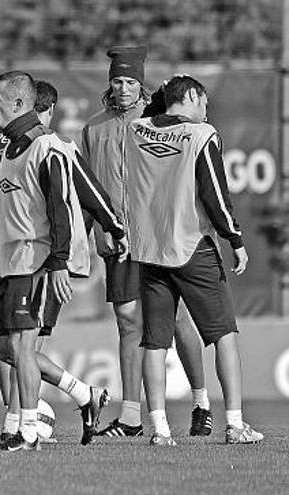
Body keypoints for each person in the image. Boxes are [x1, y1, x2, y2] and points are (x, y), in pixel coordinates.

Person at [0, 72, 123, 451]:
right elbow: (6, 211)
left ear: (19, 105)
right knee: (13, 349)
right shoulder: (8, 149)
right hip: (10, 259)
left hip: (36, 261)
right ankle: (78, 398)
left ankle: (27, 430)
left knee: (22, 347)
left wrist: (61, 261)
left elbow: (62, 208)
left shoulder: (49, 147)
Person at [125, 75, 263, 446]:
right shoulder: (202, 135)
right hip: (192, 245)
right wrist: (234, 238)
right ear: (191, 96)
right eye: (203, 101)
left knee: (154, 342)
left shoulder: (136, 130)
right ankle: (234, 425)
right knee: (223, 335)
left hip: (150, 250)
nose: (206, 110)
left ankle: (160, 430)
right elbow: (214, 192)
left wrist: (164, 96)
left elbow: (157, 115)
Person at [81, 46, 211, 438]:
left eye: (130, 82)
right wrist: (87, 235)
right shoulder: (93, 128)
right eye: (117, 81)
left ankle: (201, 402)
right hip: (117, 239)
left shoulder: (158, 120)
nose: (122, 89)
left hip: (158, 234)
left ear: (142, 85)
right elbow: (88, 190)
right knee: (126, 322)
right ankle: (132, 415)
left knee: (177, 319)